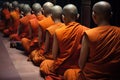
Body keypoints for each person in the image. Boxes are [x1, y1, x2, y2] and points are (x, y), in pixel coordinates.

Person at [40, 4, 89, 80]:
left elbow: (54, 56)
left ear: (63, 17)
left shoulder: (58, 32)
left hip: (61, 67)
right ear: (78, 16)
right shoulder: (87, 31)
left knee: (45, 64)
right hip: (78, 68)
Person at [78, 1, 120, 80]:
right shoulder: (118, 32)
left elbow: (81, 64)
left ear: (93, 15)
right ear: (111, 15)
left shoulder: (89, 34)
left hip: (92, 77)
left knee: (69, 74)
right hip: (115, 76)